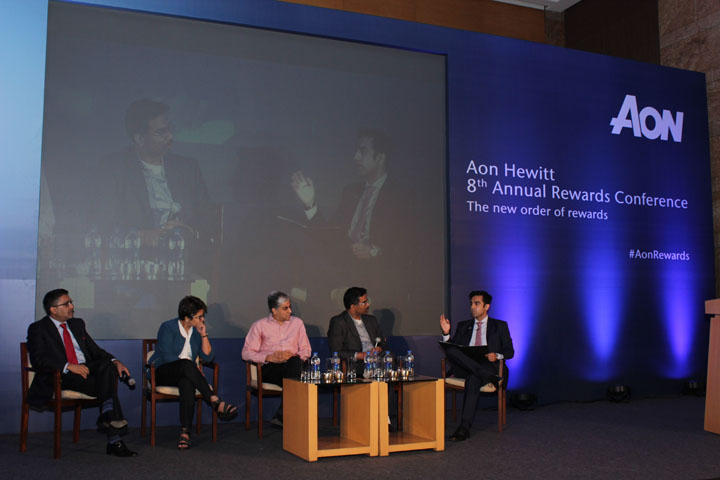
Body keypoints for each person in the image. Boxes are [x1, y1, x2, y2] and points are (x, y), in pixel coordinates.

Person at [26, 289, 137, 457]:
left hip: (85, 372)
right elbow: (38, 359)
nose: (72, 306)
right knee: (106, 385)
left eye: (71, 302)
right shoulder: (38, 328)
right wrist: (68, 366)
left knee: (107, 366)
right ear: (53, 309)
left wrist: (116, 362)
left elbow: (95, 350)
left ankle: (108, 415)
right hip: (60, 376)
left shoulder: (77, 324)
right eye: (66, 304)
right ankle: (114, 438)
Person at [100, 99, 211, 250]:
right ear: (140, 138)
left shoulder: (188, 169)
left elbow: (208, 220)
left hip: (184, 256)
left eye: (169, 129)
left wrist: (189, 231)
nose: (170, 136)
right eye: (161, 132)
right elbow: (103, 223)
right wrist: (140, 236)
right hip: (134, 257)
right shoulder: (115, 169)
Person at [148, 296, 238, 449]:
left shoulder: (196, 332)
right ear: (187, 318)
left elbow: (208, 357)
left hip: (185, 373)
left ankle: (185, 433)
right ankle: (214, 400)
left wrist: (203, 335)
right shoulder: (168, 327)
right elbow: (167, 356)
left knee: (187, 381)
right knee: (186, 365)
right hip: (163, 372)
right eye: (199, 317)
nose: (203, 319)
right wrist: (191, 368)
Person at [440, 290, 514, 442]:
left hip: (489, 366)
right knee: (452, 350)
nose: (472, 307)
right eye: (471, 304)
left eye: (476, 304)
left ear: (486, 306)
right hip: (466, 367)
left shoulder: (499, 326)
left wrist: (497, 355)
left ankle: (464, 428)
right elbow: (452, 350)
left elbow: (510, 351)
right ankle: (485, 375)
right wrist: (446, 334)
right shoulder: (463, 326)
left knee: (474, 379)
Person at [242, 291, 312, 427]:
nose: (290, 311)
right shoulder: (260, 325)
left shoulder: (297, 323)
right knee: (296, 378)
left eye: (290, 307)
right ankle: (287, 417)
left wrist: (294, 356)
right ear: (274, 310)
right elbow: (246, 353)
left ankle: (282, 416)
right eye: (285, 308)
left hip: (292, 366)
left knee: (294, 364)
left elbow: (306, 350)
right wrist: (269, 357)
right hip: (270, 368)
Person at [327, 286, 387, 375]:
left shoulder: (371, 320)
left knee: (389, 357)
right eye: (364, 303)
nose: (368, 305)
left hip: (376, 359)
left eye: (367, 301)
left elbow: (383, 343)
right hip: (358, 363)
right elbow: (336, 351)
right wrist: (360, 355)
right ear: (353, 306)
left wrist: (379, 348)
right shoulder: (338, 322)